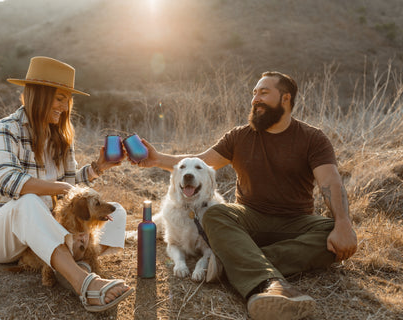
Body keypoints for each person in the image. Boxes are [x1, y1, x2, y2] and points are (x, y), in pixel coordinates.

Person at [137, 71, 357, 320]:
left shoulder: (312, 138)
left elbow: (330, 181)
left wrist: (342, 223)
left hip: (295, 222)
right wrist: (156, 160)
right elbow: (199, 163)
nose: (255, 99)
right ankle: (270, 283)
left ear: (285, 98)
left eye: (264, 92)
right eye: (254, 93)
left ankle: (227, 263)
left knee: (333, 235)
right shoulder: (240, 136)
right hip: (247, 220)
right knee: (216, 213)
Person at [0, 56, 134, 312]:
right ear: (38, 96)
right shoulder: (4, 129)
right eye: (59, 98)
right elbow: (8, 181)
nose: (65, 106)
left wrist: (96, 168)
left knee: (116, 212)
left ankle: (65, 263)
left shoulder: (61, 138)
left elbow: (69, 188)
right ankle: (83, 282)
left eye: (68, 99)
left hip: (41, 232)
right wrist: (61, 189)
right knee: (28, 201)